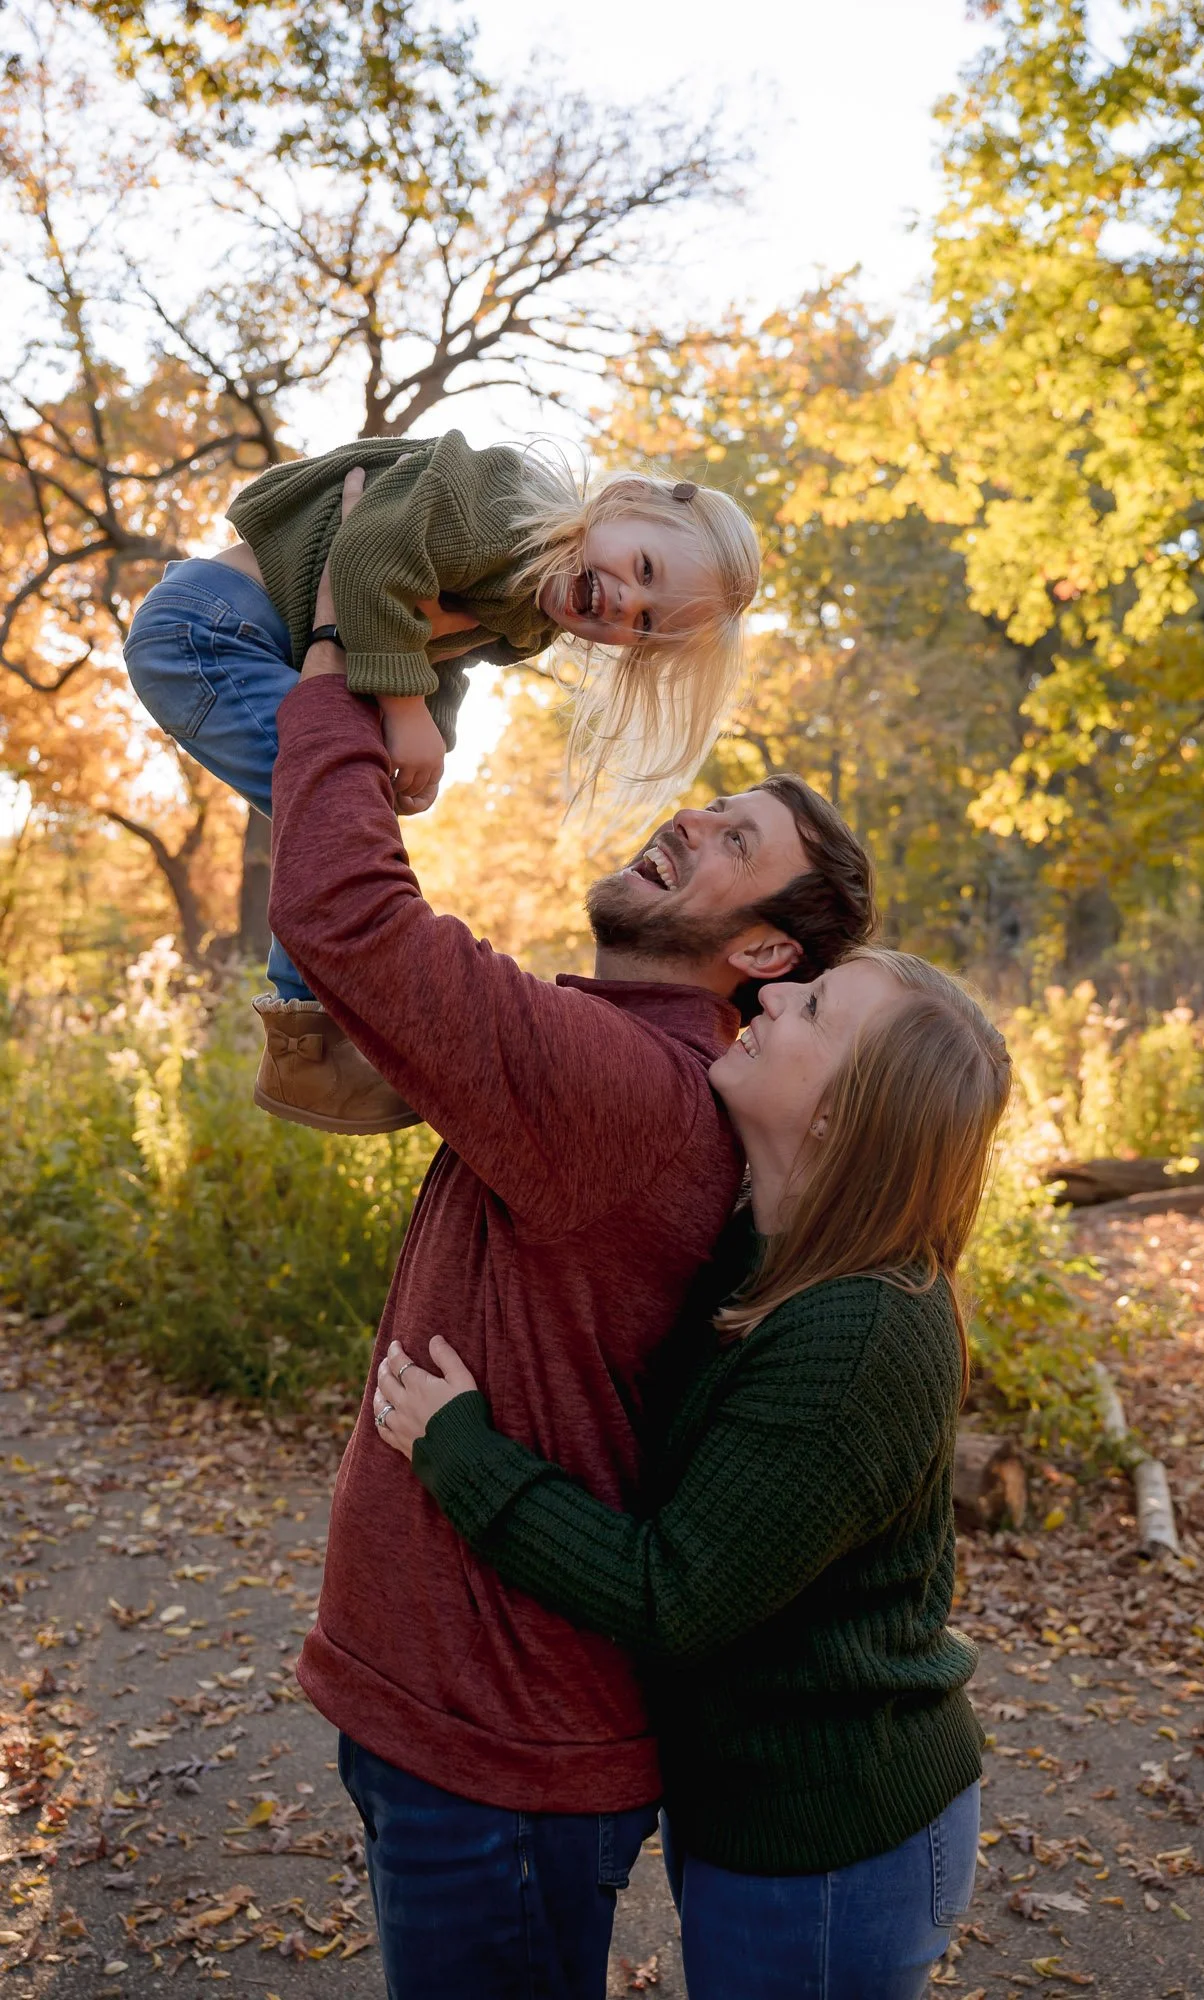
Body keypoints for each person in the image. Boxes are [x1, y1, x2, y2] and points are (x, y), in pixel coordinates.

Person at [264, 475, 877, 2000]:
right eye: (705, 807)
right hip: (446, 1723)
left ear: (761, 950)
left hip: (500, 1756)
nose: (686, 822)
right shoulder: (624, 1062)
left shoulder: (628, 1090)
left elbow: (348, 914)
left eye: (729, 842)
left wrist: (345, 648)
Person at [372, 946, 1012, 2000]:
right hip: (757, 1816)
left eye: (809, 1008)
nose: (766, 996)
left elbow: (672, 1592)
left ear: (842, 1119)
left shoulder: (857, 1330)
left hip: (827, 1840)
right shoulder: (763, 1246)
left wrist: (465, 1453)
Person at [122, 433, 760, 1133]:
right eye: (640, 566)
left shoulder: (528, 620)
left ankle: (317, 1036)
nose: (622, 603)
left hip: (243, 636)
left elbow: (440, 658)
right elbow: (368, 559)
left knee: (338, 798)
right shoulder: (504, 502)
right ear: (623, 503)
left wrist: (431, 740)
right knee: (327, 799)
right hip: (212, 629)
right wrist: (397, 710)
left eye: (644, 623)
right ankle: (308, 1045)